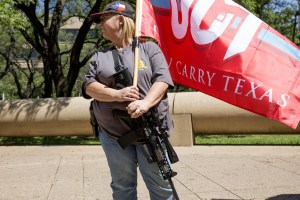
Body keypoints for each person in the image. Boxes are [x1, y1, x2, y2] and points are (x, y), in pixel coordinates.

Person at [82, 1, 175, 199]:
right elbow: (89, 87)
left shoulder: (149, 48)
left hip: (149, 133)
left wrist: (145, 103)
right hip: (113, 135)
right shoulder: (99, 57)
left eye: (104, 19)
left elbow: (163, 80)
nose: (100, 24)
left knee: (161, 187)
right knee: (122, 187)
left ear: (121, 20)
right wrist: (117, 94)